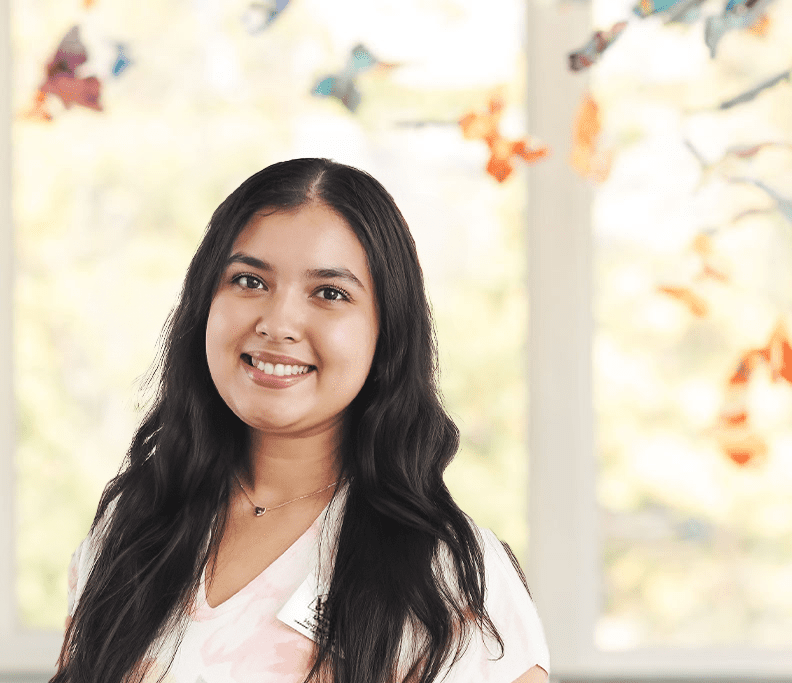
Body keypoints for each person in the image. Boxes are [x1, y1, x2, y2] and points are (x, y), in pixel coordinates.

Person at [51, 158, 549, 683]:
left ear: (386, 332)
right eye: (249, 281)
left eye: (329, 293)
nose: (278, 323)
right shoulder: (129, 531)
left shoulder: (448, 576)